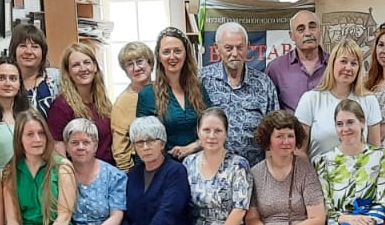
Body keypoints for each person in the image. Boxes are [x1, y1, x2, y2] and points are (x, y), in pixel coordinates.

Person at [201, 21, 281, 164]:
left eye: (240, 47)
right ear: (217, 48)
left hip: (254, 170)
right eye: (228, 48)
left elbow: (274, 130)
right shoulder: (202, 80)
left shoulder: (264, 84)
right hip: (212, 171)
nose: (235, 53)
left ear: (248, 47)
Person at [296, 39, 382, 158]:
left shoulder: (369, 100)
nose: (348, 68)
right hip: (317, 174)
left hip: (360, 175)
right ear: (332, 64)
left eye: (354, 63)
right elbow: (299, 151)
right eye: (343, 61)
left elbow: (375, 149)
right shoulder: (310, 99)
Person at [138, 27, 208, 159]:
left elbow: (213, 128)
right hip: (165, 170)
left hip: (200, 167)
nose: (172, 57)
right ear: (158, 56)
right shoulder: (147, 94)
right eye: (166, 52)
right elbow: (142, 141)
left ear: (186, 54)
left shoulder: (198, 89)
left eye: (177, 51)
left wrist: (192, 147)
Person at [46, 40, 114, 163]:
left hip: (109, 173)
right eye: (76, 65)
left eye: (87, 62)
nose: (83, 68)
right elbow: (58, 156)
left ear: (95, 67)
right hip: (79, 176)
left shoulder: (104, 102)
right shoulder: (61, 107)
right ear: (68, 72)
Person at [266, 10, 328, 109]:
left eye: (312, 27)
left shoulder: (335, 65)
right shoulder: (276, 69)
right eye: (301, 29)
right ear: (292, 35)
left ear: (320, 30)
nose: (308, 33)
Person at [110, 41, 154, 171]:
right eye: (130, 65)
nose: (136, 68)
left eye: (140, 61)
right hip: (141, 165)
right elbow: (120, 148)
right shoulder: (122, 103)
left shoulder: (164, 90)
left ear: (150, 63)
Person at [0, 57, 30, 171]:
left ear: (19, 83)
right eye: (1, 78)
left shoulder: (30, 112)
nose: (8, 83)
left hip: (27, 179)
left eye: (13, 78)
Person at [9, 22, 59, 115]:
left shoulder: (57, 78)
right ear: (14, 50)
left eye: (35, 47)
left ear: (43, 52)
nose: (28, 51)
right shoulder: (6, 82)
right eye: (23, 46)